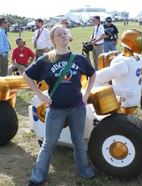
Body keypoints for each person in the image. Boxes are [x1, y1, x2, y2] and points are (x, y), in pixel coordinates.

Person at [23, 24, 96, 186]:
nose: (63, 35)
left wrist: (86, 94)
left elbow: (92, 74)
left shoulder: (79, 59)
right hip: (56, 110)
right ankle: (37, 177)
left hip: (77, 108)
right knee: (48, 144)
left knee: (78, 141)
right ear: (53, 41)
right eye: (59, 34)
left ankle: (84, 170)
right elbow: (26, 75)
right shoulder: (48, 59)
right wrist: (40, 94)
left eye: (65, 33)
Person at [94, 28, 142, 108]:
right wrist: (121, 92)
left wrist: (140, 85)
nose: (140, 44)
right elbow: (95, 80)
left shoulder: (138, 59)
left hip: (133, 100)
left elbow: (133, 77)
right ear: (128, 42)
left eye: (140, 41)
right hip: (122, 103)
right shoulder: (122, 64)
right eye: (137, 41)